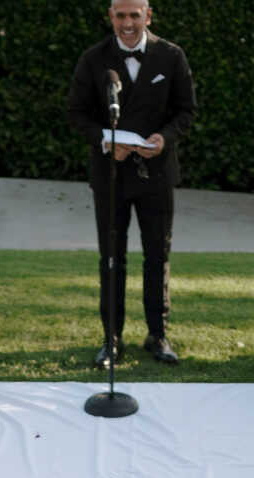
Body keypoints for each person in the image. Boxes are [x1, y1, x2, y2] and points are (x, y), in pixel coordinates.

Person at [64, 0, 197, 366]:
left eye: (134, 15)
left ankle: (158, 336)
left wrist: (164, 138)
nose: (127, 22)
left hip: (157, 175)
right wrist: (108, 140)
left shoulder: (171, 56)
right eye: (120, 15)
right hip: (110, 176)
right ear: (111, 17)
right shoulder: (93, 58)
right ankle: (112, 340)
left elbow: (187, 110)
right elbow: (75, 112)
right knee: (111, 259)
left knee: (158, 258)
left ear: (148, 16)